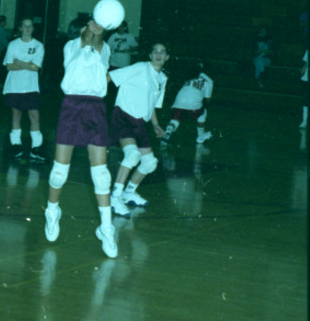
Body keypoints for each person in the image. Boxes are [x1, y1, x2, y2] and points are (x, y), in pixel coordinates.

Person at [44, 14, 118, 259]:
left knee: (102, 176)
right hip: (72, 105)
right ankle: (52, 211)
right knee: (59, 172)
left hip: (95, 107)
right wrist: (91, 29)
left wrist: (99, 31)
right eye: (90, 27)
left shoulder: (104, 47)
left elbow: (96, 42)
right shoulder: (71, 46)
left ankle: (106, 228)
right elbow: (86, 39)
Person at [108, 42, 169, 216]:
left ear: (167, 57)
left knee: (150, 163)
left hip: (140, 122)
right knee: (132, 155)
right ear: (150, 55)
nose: (158, 54)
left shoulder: (162, 78)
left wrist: (155, 125)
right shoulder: (140, 67)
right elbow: (110, 76)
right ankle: (115, 198)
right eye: (155, 51)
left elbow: (153, 105)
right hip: (123, 116)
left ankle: (128, 193)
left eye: (162, 52)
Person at [2, 18, 45, 161]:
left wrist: (19, 62)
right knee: (16, 115)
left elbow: (36, 67)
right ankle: (16, 145)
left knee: (35, 117)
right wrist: (28, 65)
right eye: (25, 26)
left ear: (33, 28)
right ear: (20, 28)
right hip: (14, 86)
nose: (27, 28)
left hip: (31, 87)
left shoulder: (38, 46)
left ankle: (36, 148)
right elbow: (9, 66)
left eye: (30, 26)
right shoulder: (13, 44)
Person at [161, 62, 213, 146]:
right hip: (193, 105)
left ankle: (168, 131)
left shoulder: (189, 79)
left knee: (176, 119)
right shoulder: (208, 81)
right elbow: (208, 99)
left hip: (178, 102)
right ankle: (200, 136)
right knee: (203, 113)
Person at [300, 50, 308, 129]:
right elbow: (305, 64)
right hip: (307, 79)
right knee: (306, 100)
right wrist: (302, 71)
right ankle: (305, 120)